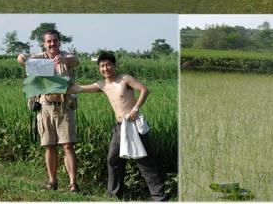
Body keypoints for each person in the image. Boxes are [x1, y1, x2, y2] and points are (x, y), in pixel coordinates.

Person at [67, 52, 167, 201]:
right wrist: (55, 85)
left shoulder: (125, 79)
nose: (105, 68)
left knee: (145, 162)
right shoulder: (102, 84)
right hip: (119, 128)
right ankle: (114, 195)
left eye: (108, 65)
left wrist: (135, 109)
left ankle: (159, 197)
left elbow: (144, 90)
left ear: (114, 65)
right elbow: (79, 89)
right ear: (99, 68)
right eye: (102, 66)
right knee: (113, 160)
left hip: (134, 124)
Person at [17, 29, 80, 193]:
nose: (52, 44)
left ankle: (73, 184)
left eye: (55, 41)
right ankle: (52, 181)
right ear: (44, 44)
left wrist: (64, 59)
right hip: (44, 107)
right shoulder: (40, 58)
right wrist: (21, 58)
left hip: (64, 106)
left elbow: (75, 60)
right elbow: (24, 61)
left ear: (59, 42)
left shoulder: (66, 56)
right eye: (49, 41)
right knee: (49, 146)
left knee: (68, 145)